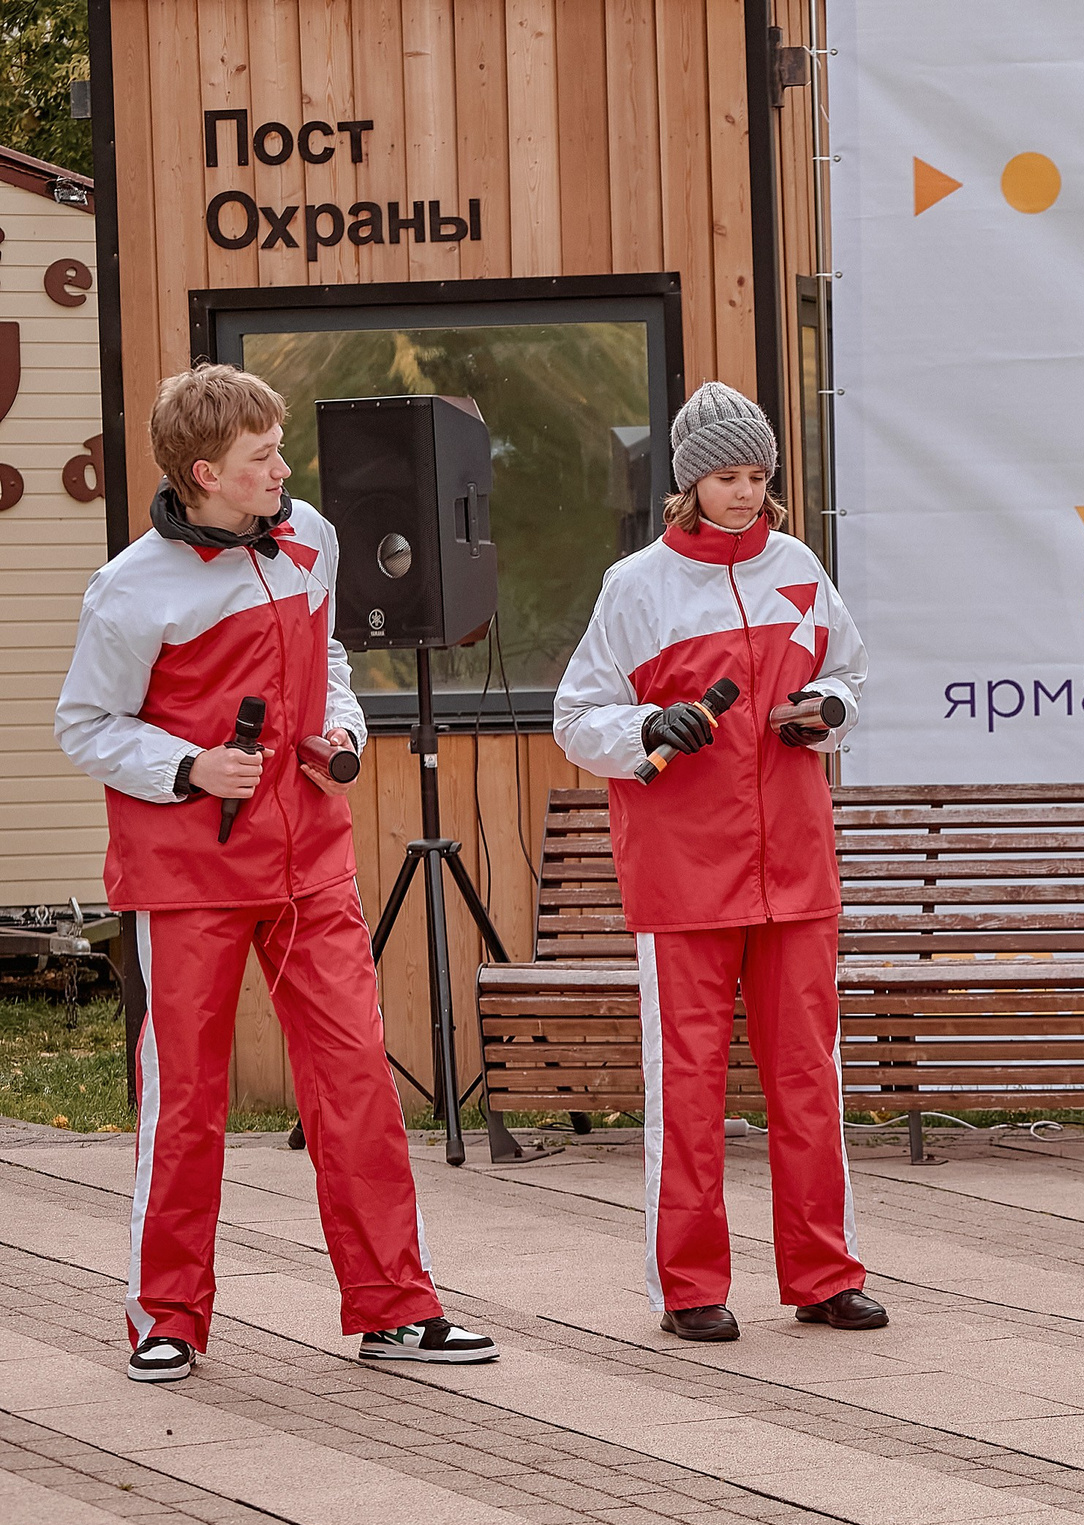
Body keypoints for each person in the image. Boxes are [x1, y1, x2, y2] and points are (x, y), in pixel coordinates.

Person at [55, 364, 500, 1383]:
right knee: (186, 1101)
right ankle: (166, 1315)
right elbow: (83, 726)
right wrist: (186, 766)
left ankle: (396, 1306)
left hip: (311, 865)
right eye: (263, 458)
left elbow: (330, 661)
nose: (285, 470)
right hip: (186, 877)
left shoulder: (309, 536)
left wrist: (340, 724)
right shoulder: (132, 588)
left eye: (280, 449)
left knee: (355, 1085)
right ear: (204, 472)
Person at [554, 381, 879, 1343]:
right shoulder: (636, 586)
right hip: (684, 875)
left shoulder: (800, 568)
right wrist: (648, 725)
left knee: (808, 1077)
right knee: (688, 1083)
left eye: (759, 476)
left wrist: (827, 711)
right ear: (688, 485)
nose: (746, 493)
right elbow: (577, 719)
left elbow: (851, 677)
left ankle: (825, 1275)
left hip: (798, 874)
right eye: (727, 476)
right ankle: (690, 1285)